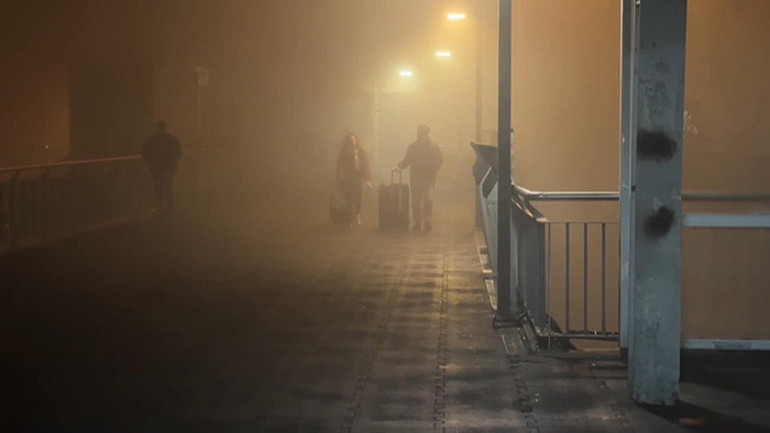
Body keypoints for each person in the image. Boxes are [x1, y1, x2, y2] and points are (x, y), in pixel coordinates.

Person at [397, 124, 443, 232]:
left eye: (420, 131)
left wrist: (401, 165)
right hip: (426, 178)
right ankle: (422, 222)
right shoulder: (433, 146)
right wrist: (401, 165)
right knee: (423, 200)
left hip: (421, 177)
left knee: (421, 200)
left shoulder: (414, 147)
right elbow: (440, 160)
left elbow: (406, 161)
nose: (418, 133)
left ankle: (422, 222)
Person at [142, 121, 181, 216]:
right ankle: (169, 209)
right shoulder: (172, 139)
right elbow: (178, 152)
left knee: (159, 189)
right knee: (168, 189)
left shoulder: (152, 140)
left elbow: (145, 153)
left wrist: (152, 161)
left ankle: (160, 209)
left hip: (157, 169)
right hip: (167, 168)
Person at [336, 133, 372, 226]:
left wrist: (367, 179)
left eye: (354, 140)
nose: (353, 142)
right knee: (349, 197)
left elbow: (366, 166)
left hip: (358, 176)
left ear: (356, 141)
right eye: (351, 140)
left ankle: (357, 214)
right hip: (348, 177)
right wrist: (338, 179)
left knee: (358, 196)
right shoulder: (343, 152)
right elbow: (339, 166)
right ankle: (349, 217)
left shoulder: (361, 152)